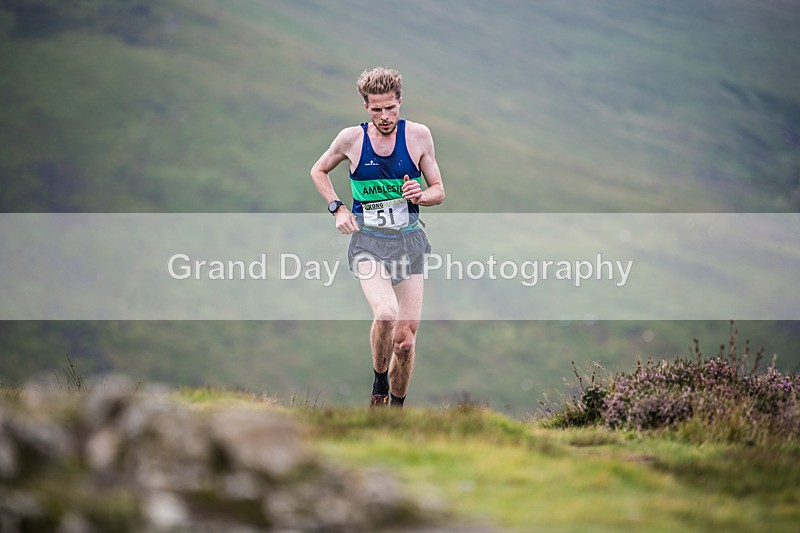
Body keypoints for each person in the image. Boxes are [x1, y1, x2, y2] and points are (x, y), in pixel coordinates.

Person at [310, 66, 445, 408]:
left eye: (391, 108)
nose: (385, 116)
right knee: (385, 313)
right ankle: (378, 388)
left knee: (406, 342)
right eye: (376, 109)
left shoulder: (418, 136)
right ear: (365, 107)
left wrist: (420, 195)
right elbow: (319, 169)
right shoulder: (351, 140)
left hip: (409, 243)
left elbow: (439, 191)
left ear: (400, 102)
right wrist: (338, 208)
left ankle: (394, 415)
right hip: (368, 242)